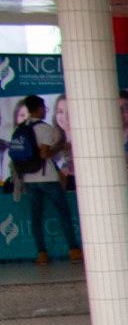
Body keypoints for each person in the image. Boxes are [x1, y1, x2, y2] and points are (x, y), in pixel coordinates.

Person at [10, 94, 78, 264]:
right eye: (43, 108)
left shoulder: (20, 129)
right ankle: (74, 250)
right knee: (63, 213)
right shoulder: (45, 129)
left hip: (29, 179)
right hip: (47, 177)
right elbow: (44, 154)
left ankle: (41, 254)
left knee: (36, 217)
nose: (44, 111)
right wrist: (61, 146)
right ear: (39, 109)